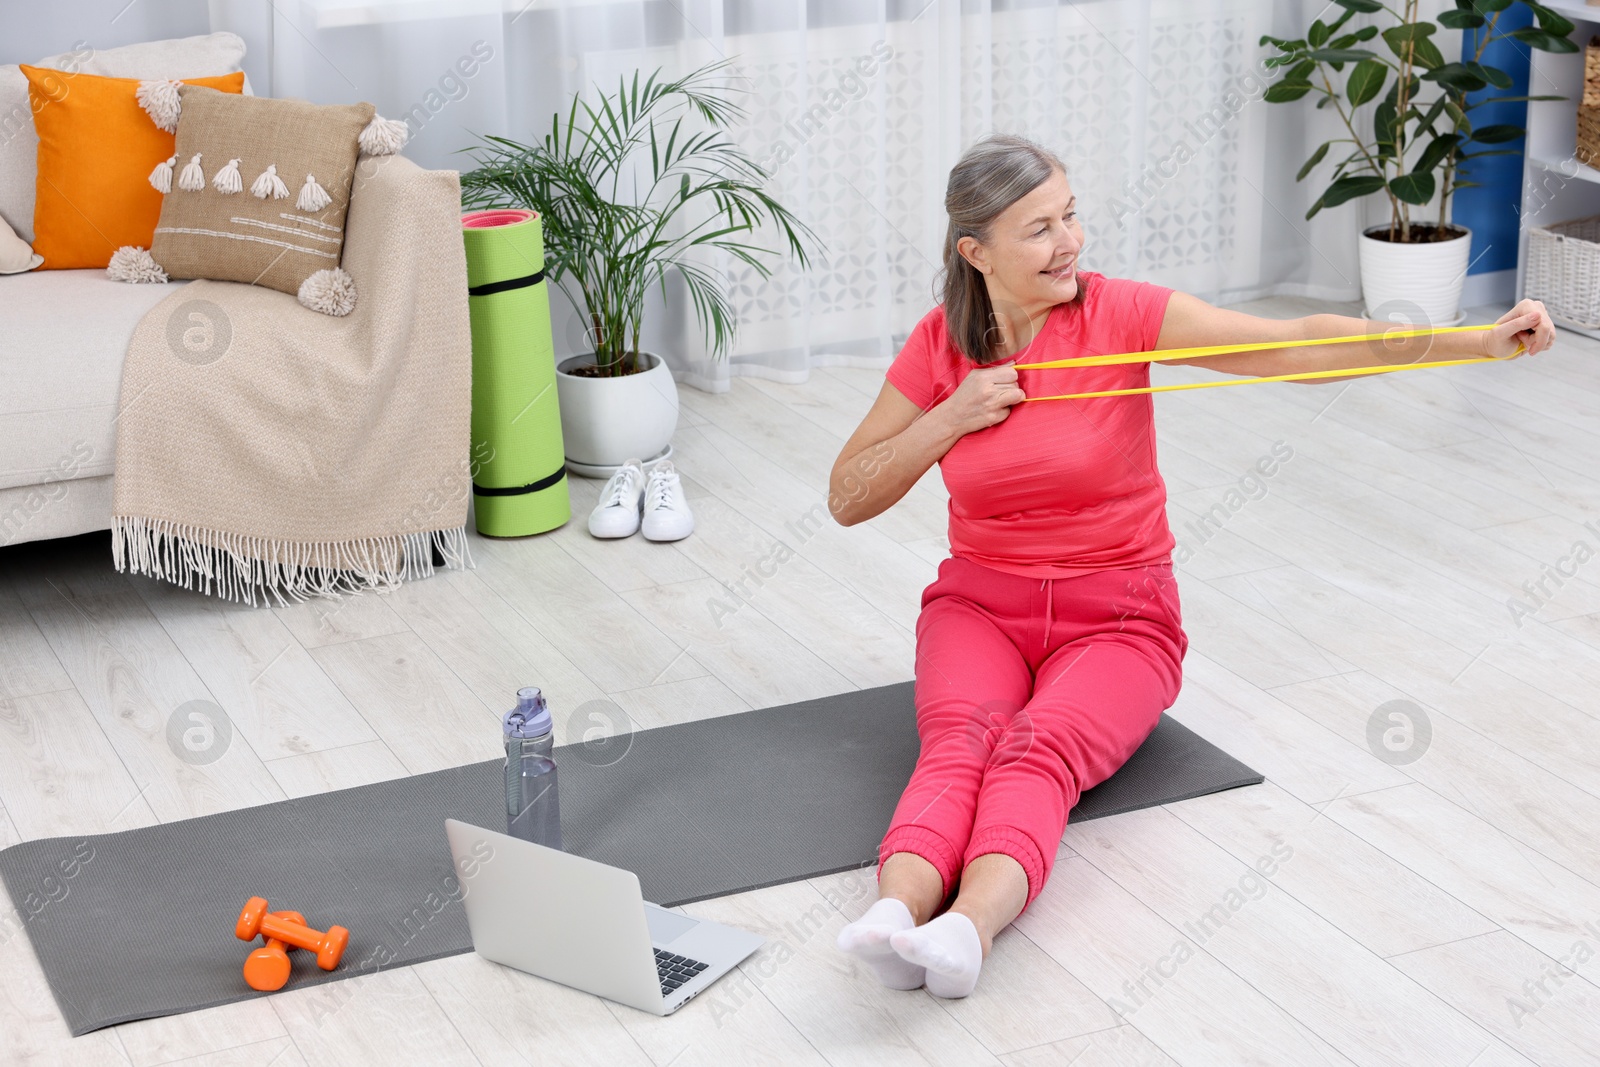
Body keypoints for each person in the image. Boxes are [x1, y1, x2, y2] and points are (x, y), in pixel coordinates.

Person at [828, 132, 1555, 999]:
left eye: (1070, 216)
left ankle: (965, 930)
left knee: (1034, 749)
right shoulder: (941, 346)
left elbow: (1291, 345)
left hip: (1121, 618)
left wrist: (1473, 342)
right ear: (975, 252)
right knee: (957, 742)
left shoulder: (1120, 313)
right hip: (980, 607)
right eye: (1039, 229)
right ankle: (892, 917)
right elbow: (848, 492)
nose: (1071, 242)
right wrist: (949, 416)